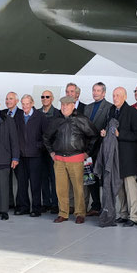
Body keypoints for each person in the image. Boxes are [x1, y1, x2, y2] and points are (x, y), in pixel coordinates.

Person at [43, 96, 97, 224]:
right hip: (59, 160)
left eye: (67, 105)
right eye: (62, 105)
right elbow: (46, 137)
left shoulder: (81, 119)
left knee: (79, 188)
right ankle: (63, 213)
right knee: (61, 188)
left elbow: (94, 136)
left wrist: (87, 152)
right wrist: (51, 152)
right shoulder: (56, 120)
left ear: (73, 106)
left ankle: (80, 213)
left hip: (76, 159)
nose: (64, 107)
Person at [107, 87, 137, 227]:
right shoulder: (112, 111)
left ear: (125, 97)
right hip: (115, 156)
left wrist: (119, 134)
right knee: (119, 188)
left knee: (130, 188)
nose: (115, 98)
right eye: (114, 95)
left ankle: (133, 216)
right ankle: (123, 214)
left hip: (128, 157)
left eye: (118, 95)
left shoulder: (132, 112)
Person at [15, 94, 48, 217]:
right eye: (23, 104)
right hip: (22, 156)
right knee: (22, 183)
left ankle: (36, 208)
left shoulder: (40, 116)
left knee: (35, 184)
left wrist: (38, 146)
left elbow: (47, 135)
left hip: (35, 156)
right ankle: (24, 207)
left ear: (32, 103)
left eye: (27, 104)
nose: (25, 106)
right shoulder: (18, 116)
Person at [83, 82, 111, 215]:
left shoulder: (109, 107)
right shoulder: (88, 108)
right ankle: (95, 205)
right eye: (94, 90)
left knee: (104, 178)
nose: (95, 93)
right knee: (90, 177)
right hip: (88, 149)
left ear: (104, 93)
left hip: (101, 147)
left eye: (98, 90)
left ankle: (106, 206)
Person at [94, 118, 121, 227]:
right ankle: (108, 215)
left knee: (109, 191)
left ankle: (109, 215)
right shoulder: (108, 136)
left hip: (110, 169)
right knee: (108, 191)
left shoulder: (112, 135)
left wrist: (104, 168)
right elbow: (103, 152)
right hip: (108, 169)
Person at [38, 89, 59, 213]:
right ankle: (45, 202)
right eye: (43, 97)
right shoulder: (37, 113)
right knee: (43, 178)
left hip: (53, 152)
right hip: (40, 151)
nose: (45, 98)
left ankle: (55, 204)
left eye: (47, 97)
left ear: (52, 99)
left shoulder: (57, 113)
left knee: (54, 177)